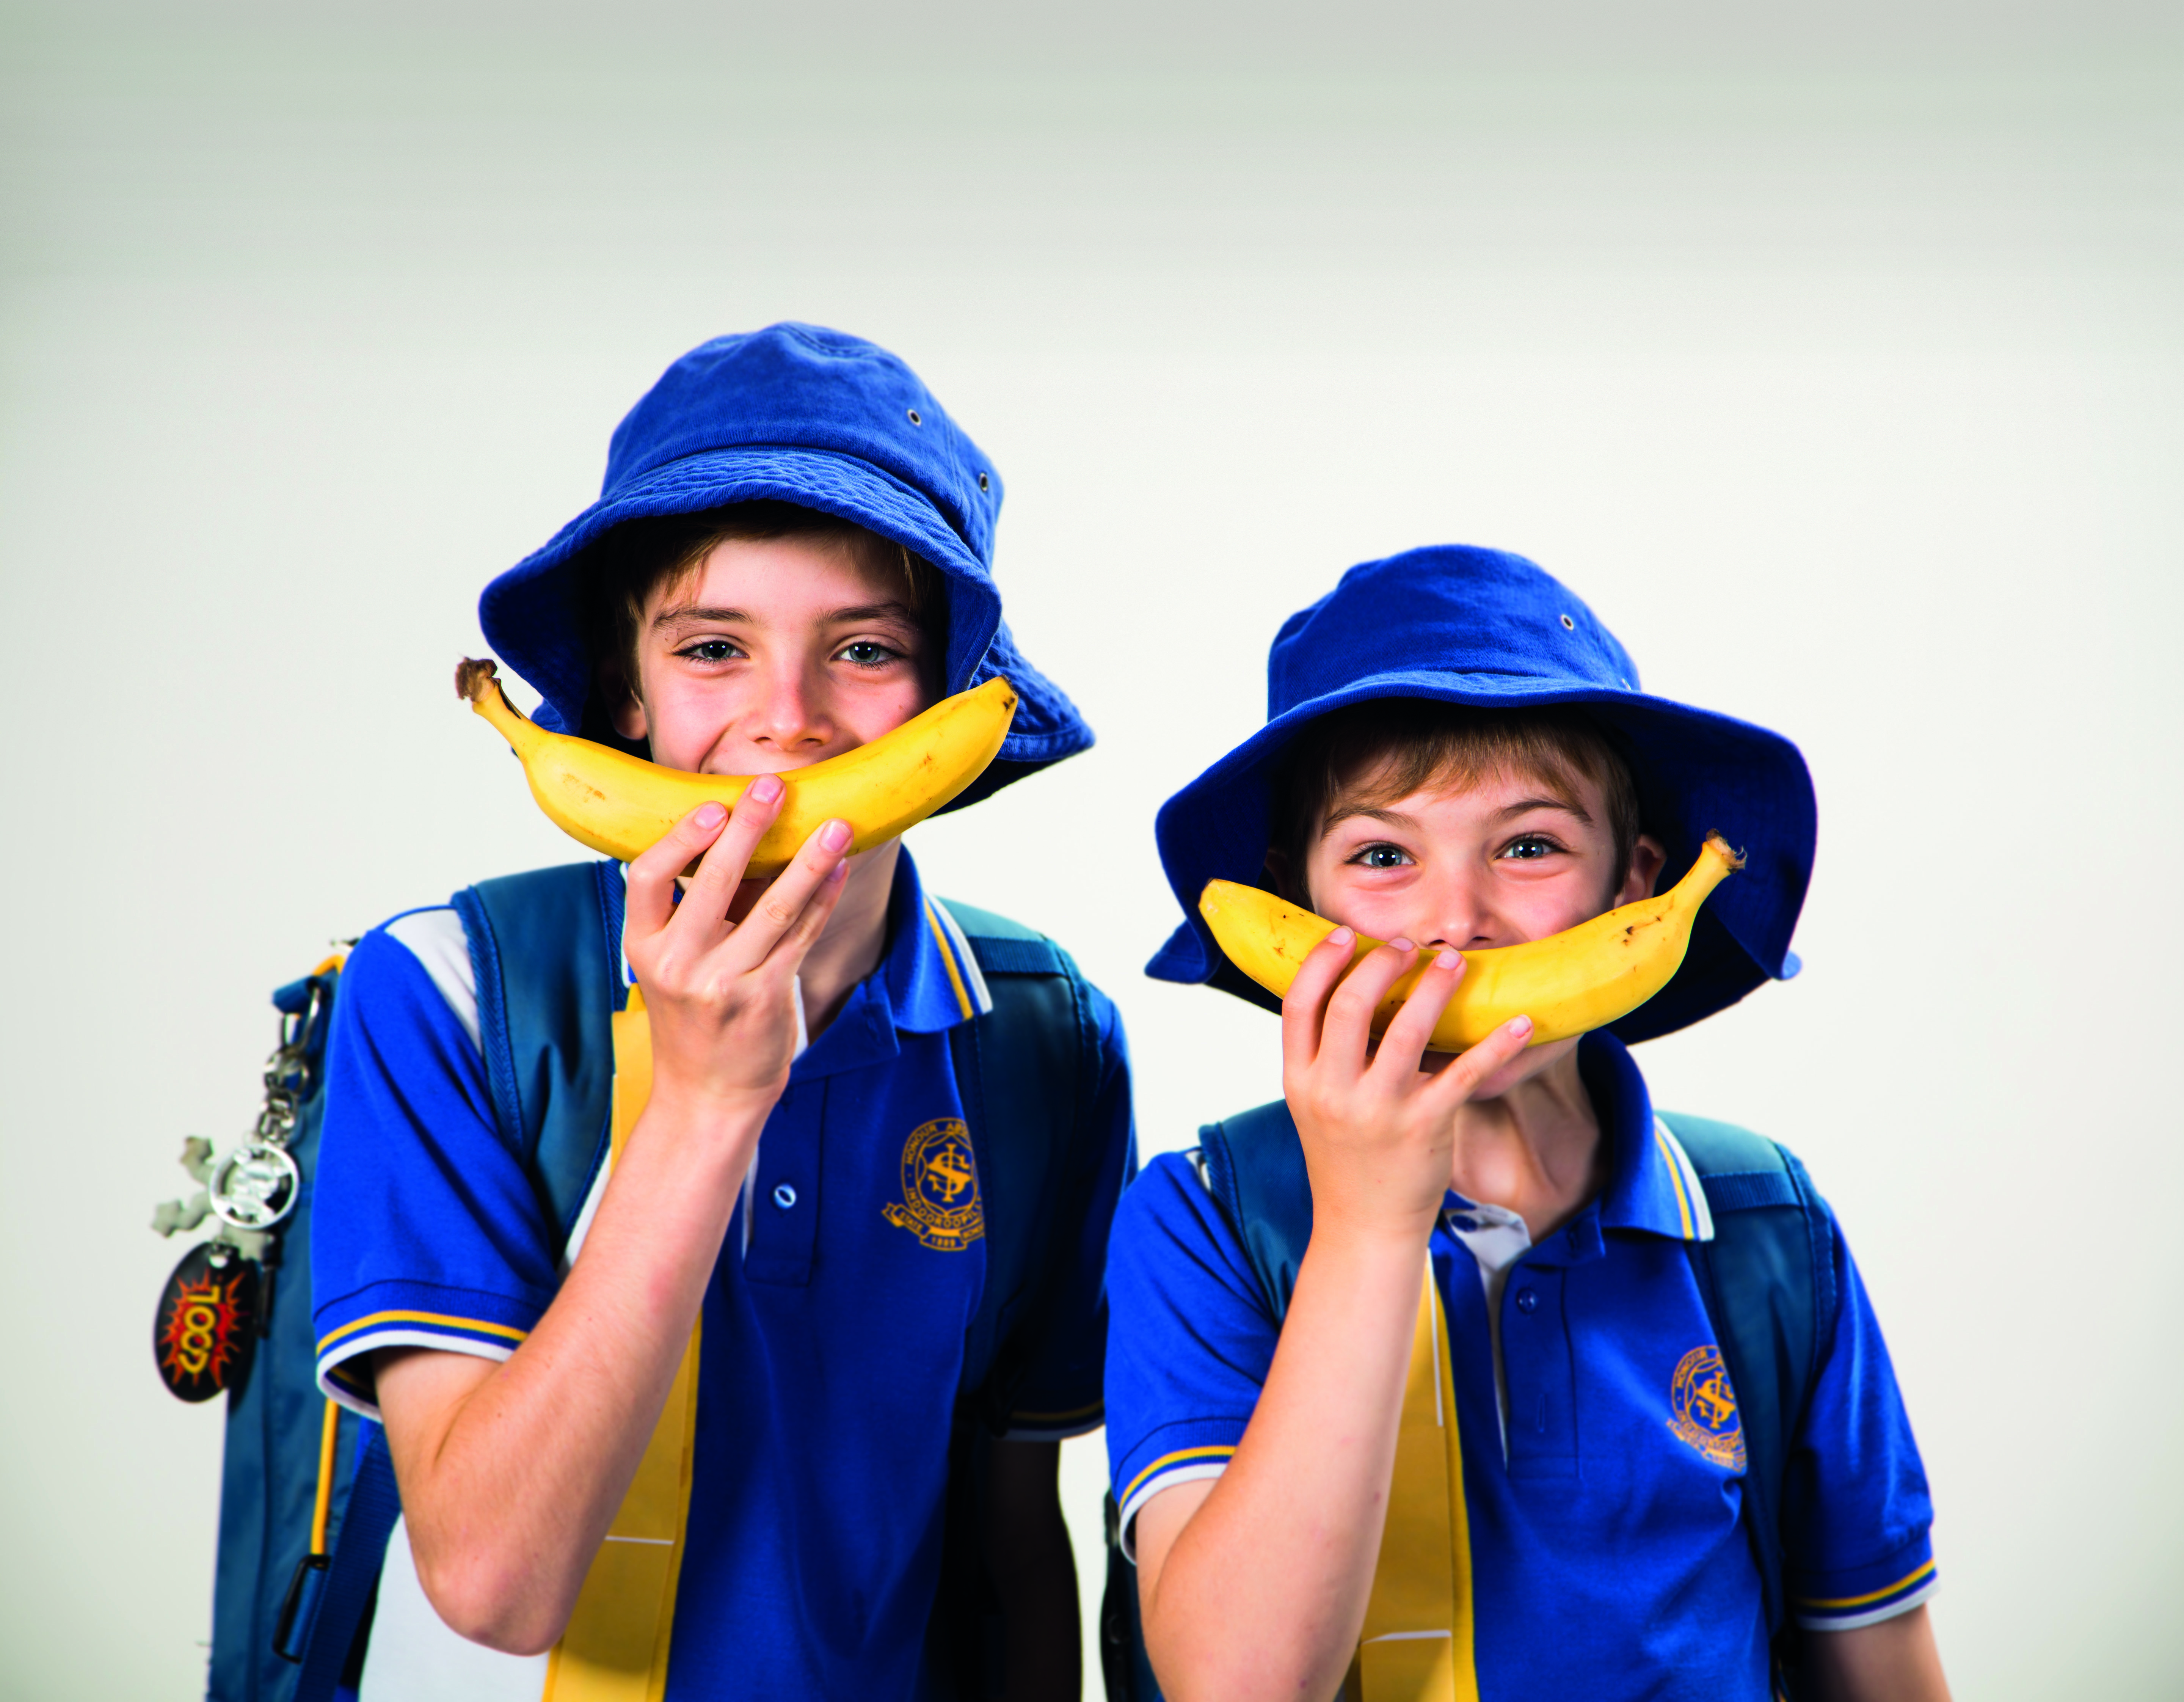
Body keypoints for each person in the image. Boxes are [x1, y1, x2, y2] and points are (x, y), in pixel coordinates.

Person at [311, 325, 1134, 1701]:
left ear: (943, 699)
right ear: (627, 696)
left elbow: (1011, 1538)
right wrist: (701, 1105)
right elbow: (494, 1587)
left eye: (863, 648)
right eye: (713, 649)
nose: (789, 720)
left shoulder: (1048, 1036)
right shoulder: (449, 994)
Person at [1105, 546, 1946, 1701]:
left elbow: (1884, 1664)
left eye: (1531, 845)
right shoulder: (1204, 1219)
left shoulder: (1767, 1227)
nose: (1460, 925)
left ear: (1633, 886)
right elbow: (1239, 1685)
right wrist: (1366, 1223)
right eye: (1384, 855)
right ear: (1295, 909)